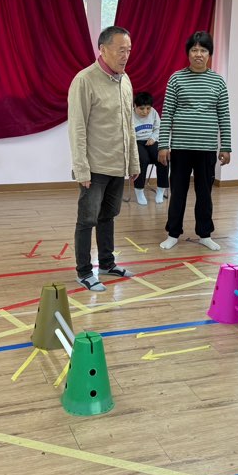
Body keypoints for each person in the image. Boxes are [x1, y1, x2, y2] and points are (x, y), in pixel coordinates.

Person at [68, 26, 140, 292]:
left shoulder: (125, 80)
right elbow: (77, 128)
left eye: (128, 50)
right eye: (121, 50)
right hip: (94, 167)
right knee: (87, 219)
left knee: (108, 216)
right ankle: (84, 271)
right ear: (103, 49)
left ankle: (107, 264)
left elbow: (129, 125)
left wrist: (133, 162)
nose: (125, 56)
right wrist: (81, 169)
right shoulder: (84, 80)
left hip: (118, 164)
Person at [158, 31, 232, 251]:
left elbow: (224, 115)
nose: (198, 54)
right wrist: (163, 145)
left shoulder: (218, 81)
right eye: (194, 50)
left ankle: (205, 234)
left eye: (203, 50)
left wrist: (226, 146)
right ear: (188, 53)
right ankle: (173, 233)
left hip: (207, 148)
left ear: (209, 54)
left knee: (204, 193)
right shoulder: (176, 78)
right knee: (178, 192)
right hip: (181, 147)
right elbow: (167, 113)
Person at [132, 91, 168, 205]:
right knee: (143, 160)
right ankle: (139, 191)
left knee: (162, 158)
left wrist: (153, 138)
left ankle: (161, 190)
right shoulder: (129, 115)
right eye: (141, 109)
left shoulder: (153, 112)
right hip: (136, 142)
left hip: (151, 141)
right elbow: (127, 133)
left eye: (148, 108)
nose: (145, 112)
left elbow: (158, 128)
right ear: (135, 106)